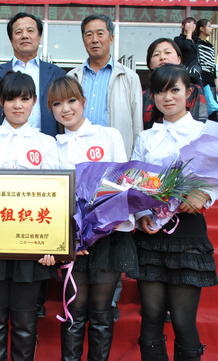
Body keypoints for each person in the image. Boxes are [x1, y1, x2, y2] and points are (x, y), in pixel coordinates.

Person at [133, 64, 218, 361]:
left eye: (174, 90)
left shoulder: (204, 133)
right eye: (160, 91)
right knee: (151, 317)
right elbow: (134, 181)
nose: (167, 97)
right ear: (152, 96)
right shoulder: (145, 138)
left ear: (188, 92)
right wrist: (140, 215)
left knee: (183, 320)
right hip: (151, 233)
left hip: (187, 231)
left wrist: (204, 194)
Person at [0, 71, 58, 361]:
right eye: (11, 99)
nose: (18, 105)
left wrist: (52, 245)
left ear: (34, 102)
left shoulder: (47, 143)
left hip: (31, 244)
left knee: (25, 320)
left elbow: (55, 196)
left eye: (24, 99)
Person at [47, 76, 137, 361]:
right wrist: (73, 236)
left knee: (101, 311)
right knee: (74, 310)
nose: (65, 109)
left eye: (71, 100)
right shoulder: (51, 146)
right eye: (57, 104)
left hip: (108, 237)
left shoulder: (109, 135)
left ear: (84, 102)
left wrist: (99, 226)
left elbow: (122, 184)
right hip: (73, 241)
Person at [0, 12, 65, 137]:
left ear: (39, 38)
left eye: (30, 31)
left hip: (44, 144)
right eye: (18, 32)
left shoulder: (57, 74)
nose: (25, 35)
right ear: (11, 41)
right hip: (2, 144)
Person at [68, 14, 142, 158]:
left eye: (100, 34)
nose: (95, 39)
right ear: (83, 41)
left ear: (111, 38)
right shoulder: (72, 78)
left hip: (115, 156)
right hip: (79, 155)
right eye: (89, 35)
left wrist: (133, 162)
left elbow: (137, 124)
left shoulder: (129, 77)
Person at [142, 38, 207, 129]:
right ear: (150, 64)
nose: (162, 57)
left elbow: (200, 127)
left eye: (168, 52)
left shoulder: (194, 91)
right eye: (156, 54)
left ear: (179, 59)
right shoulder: (142, 96)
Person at [194, 19, 218, 119]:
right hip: (202, 75)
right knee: (202, 103)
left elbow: (213, 63)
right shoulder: (196, 43)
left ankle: (211, 124)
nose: (211, 28)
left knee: (212, 105)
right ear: (201, 28)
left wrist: (215, 80)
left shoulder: (210, 45)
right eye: (209, 26)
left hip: (210, 77)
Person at [174, 17, 203, 86]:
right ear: (183, 25)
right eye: (189, 22)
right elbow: (186, 46)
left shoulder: (196, 40)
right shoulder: (178, 39)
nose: (191, 24)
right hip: (184, 72)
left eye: (194, 23)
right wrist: (189, 32)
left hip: (196, 73)